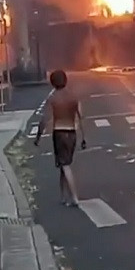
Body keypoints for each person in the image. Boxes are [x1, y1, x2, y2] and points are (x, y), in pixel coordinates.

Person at [34, 69, 86, 206]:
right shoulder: (74, 96)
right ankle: (63, 196)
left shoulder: (53, 98)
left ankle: (74, 197)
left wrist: (38, 137)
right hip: (72, 133)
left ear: (52, 82)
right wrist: (83, 137)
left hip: (60, 133)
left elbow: (44, 119)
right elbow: (80, 116)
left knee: (65, 165)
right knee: (63, 164)